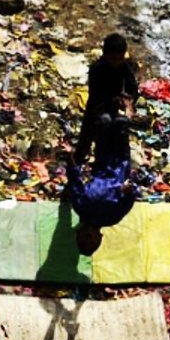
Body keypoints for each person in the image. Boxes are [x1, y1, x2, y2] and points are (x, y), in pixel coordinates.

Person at [63, 97, 137, 256]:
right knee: (120, 124)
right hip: (120, 162)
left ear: (78, 233)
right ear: (99, 238)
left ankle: (109, 97)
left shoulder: (80, 207)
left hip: (102, 160)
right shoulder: (112, 217)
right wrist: (128, 189)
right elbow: (130, 198)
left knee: (104, 121)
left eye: (84, 239)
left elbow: (75, 179)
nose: (88, 237)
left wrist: (69, 155)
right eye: (92, 242)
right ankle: (128, 108)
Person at [73, 32, 139, 164]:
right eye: (113, 59)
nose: (116, 62)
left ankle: (102, 164)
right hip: (96, 106)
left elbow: (132, 86)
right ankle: (77, 162)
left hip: (113, 106)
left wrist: (130, 101)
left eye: (120, 58)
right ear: (105, 54)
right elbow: (96, 93)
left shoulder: (124, 66)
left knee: (107, 138)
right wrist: (114, 100)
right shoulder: (97, 69)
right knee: (87, 137)